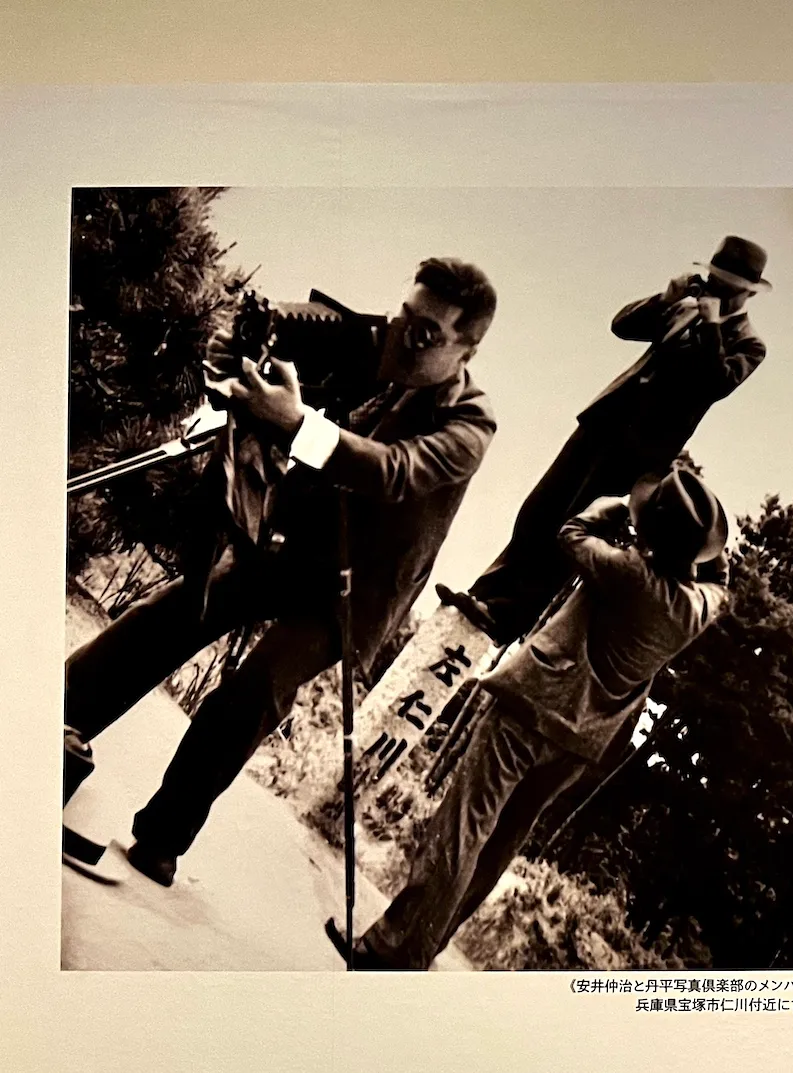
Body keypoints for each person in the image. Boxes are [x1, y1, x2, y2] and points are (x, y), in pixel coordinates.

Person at [62, 258, 499, 888]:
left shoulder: (470, 424)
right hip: (289, 545)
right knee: (170, 613)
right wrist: (235, 359)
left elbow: (393, 471)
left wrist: (296, 423)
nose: (403, 336)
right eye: (405, 315)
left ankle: (163, 838)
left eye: (426, 334)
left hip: (349, 591)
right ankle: (51, 722)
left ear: (466, 349)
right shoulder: (369, 344)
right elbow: (284, 352)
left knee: (256, 689)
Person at [333, 465, 730, 971]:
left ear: (652, 532)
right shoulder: (699, 608)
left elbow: (572, 533)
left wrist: (619, 509)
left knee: (462, 827)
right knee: (499, 845)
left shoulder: (630, 574)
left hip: (530, 709)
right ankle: (418, 949)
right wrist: (680, 539)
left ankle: (389, 950)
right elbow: (719, 578)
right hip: (582, 742)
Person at [443, 234, 768, 644]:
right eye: (713, 280)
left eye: (727, 286)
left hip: (639, 452)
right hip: (603, 424)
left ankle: (507, 617)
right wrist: (666, 298)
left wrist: (714, 326)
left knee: (571, 528)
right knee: (541, 508)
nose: (715, 289)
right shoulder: (684, 310)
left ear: (748, 292)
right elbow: (622, 325)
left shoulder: (749, 344)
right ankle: (484, 594)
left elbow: (715, 384)